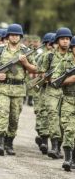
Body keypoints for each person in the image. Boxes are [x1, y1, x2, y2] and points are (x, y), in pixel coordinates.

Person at [0, 23, 37, 156]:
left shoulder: (26, 51)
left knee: (14, 118)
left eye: (17, 35)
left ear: (20, 36)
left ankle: (9, 143)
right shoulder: (0, 50)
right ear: (8, 36)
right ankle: (0, 142)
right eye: (12, 35)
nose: (14, 37)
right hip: (2, 88)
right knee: (2, 113)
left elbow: (35, 69)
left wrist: (25, 63)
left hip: (18, 88)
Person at [38, 28, 72, 158]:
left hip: (67, 91)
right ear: (57, 40)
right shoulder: (49, 55)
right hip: (52, 90)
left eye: (67, 39)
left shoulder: (72, 56)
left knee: (64, 119)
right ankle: (55, 146)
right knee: (53, 116)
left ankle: (61, 144)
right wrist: (47, 78)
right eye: (63, 39)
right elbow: (41, 72)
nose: (65, 41)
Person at [52, 34, 75, 171]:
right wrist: (71, 80)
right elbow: (55, 81)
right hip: (69, 100)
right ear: (72, 48)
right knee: (69, 129)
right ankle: (67, 159)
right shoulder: (65, 63)